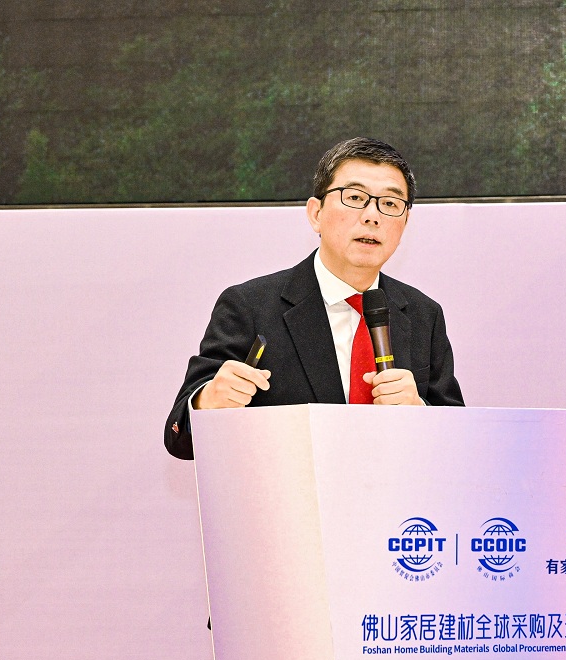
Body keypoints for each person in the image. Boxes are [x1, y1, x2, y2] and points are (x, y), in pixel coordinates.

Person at [165, 137, 464, 460]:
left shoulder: (423, 315)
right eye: (355, 197)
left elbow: (458, 444)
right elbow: (179, 439)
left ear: (405, 223)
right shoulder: (249, 306)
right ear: (316, 213)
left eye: (390, 204)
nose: (372, 216)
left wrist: (420, 411)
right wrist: (207, 402)